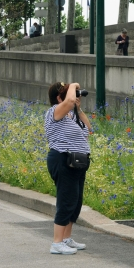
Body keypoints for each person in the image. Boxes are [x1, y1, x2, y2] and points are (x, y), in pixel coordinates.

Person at [44, 82, 92, 255]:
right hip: (62, 159)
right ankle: (56, 243)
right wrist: (72, 85)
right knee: (66, 200)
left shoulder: (71, 115)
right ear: (59, 98)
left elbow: (89, 129)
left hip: (77, 161)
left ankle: (66, 238)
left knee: (75, 201)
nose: (75, 97)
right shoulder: (54, 112)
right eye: (71, 94)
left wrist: (78, 110)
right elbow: (69, 100)